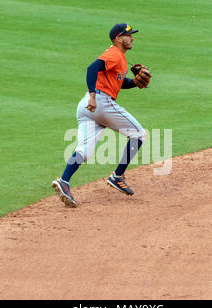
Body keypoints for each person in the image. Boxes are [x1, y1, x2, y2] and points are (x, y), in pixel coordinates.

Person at [52, 23, 152, 208]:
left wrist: (135, 83)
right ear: (118, 39)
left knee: (84, 150)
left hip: (86, 108)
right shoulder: (114, 53)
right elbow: (92, 68)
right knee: (139, 134)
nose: (132, 38)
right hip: (99, 103)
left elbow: (119, 82)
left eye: (132, 35)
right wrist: (93, 95)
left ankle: (64, 181)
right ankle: (117, 176)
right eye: (128, 35)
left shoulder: (119, 58)